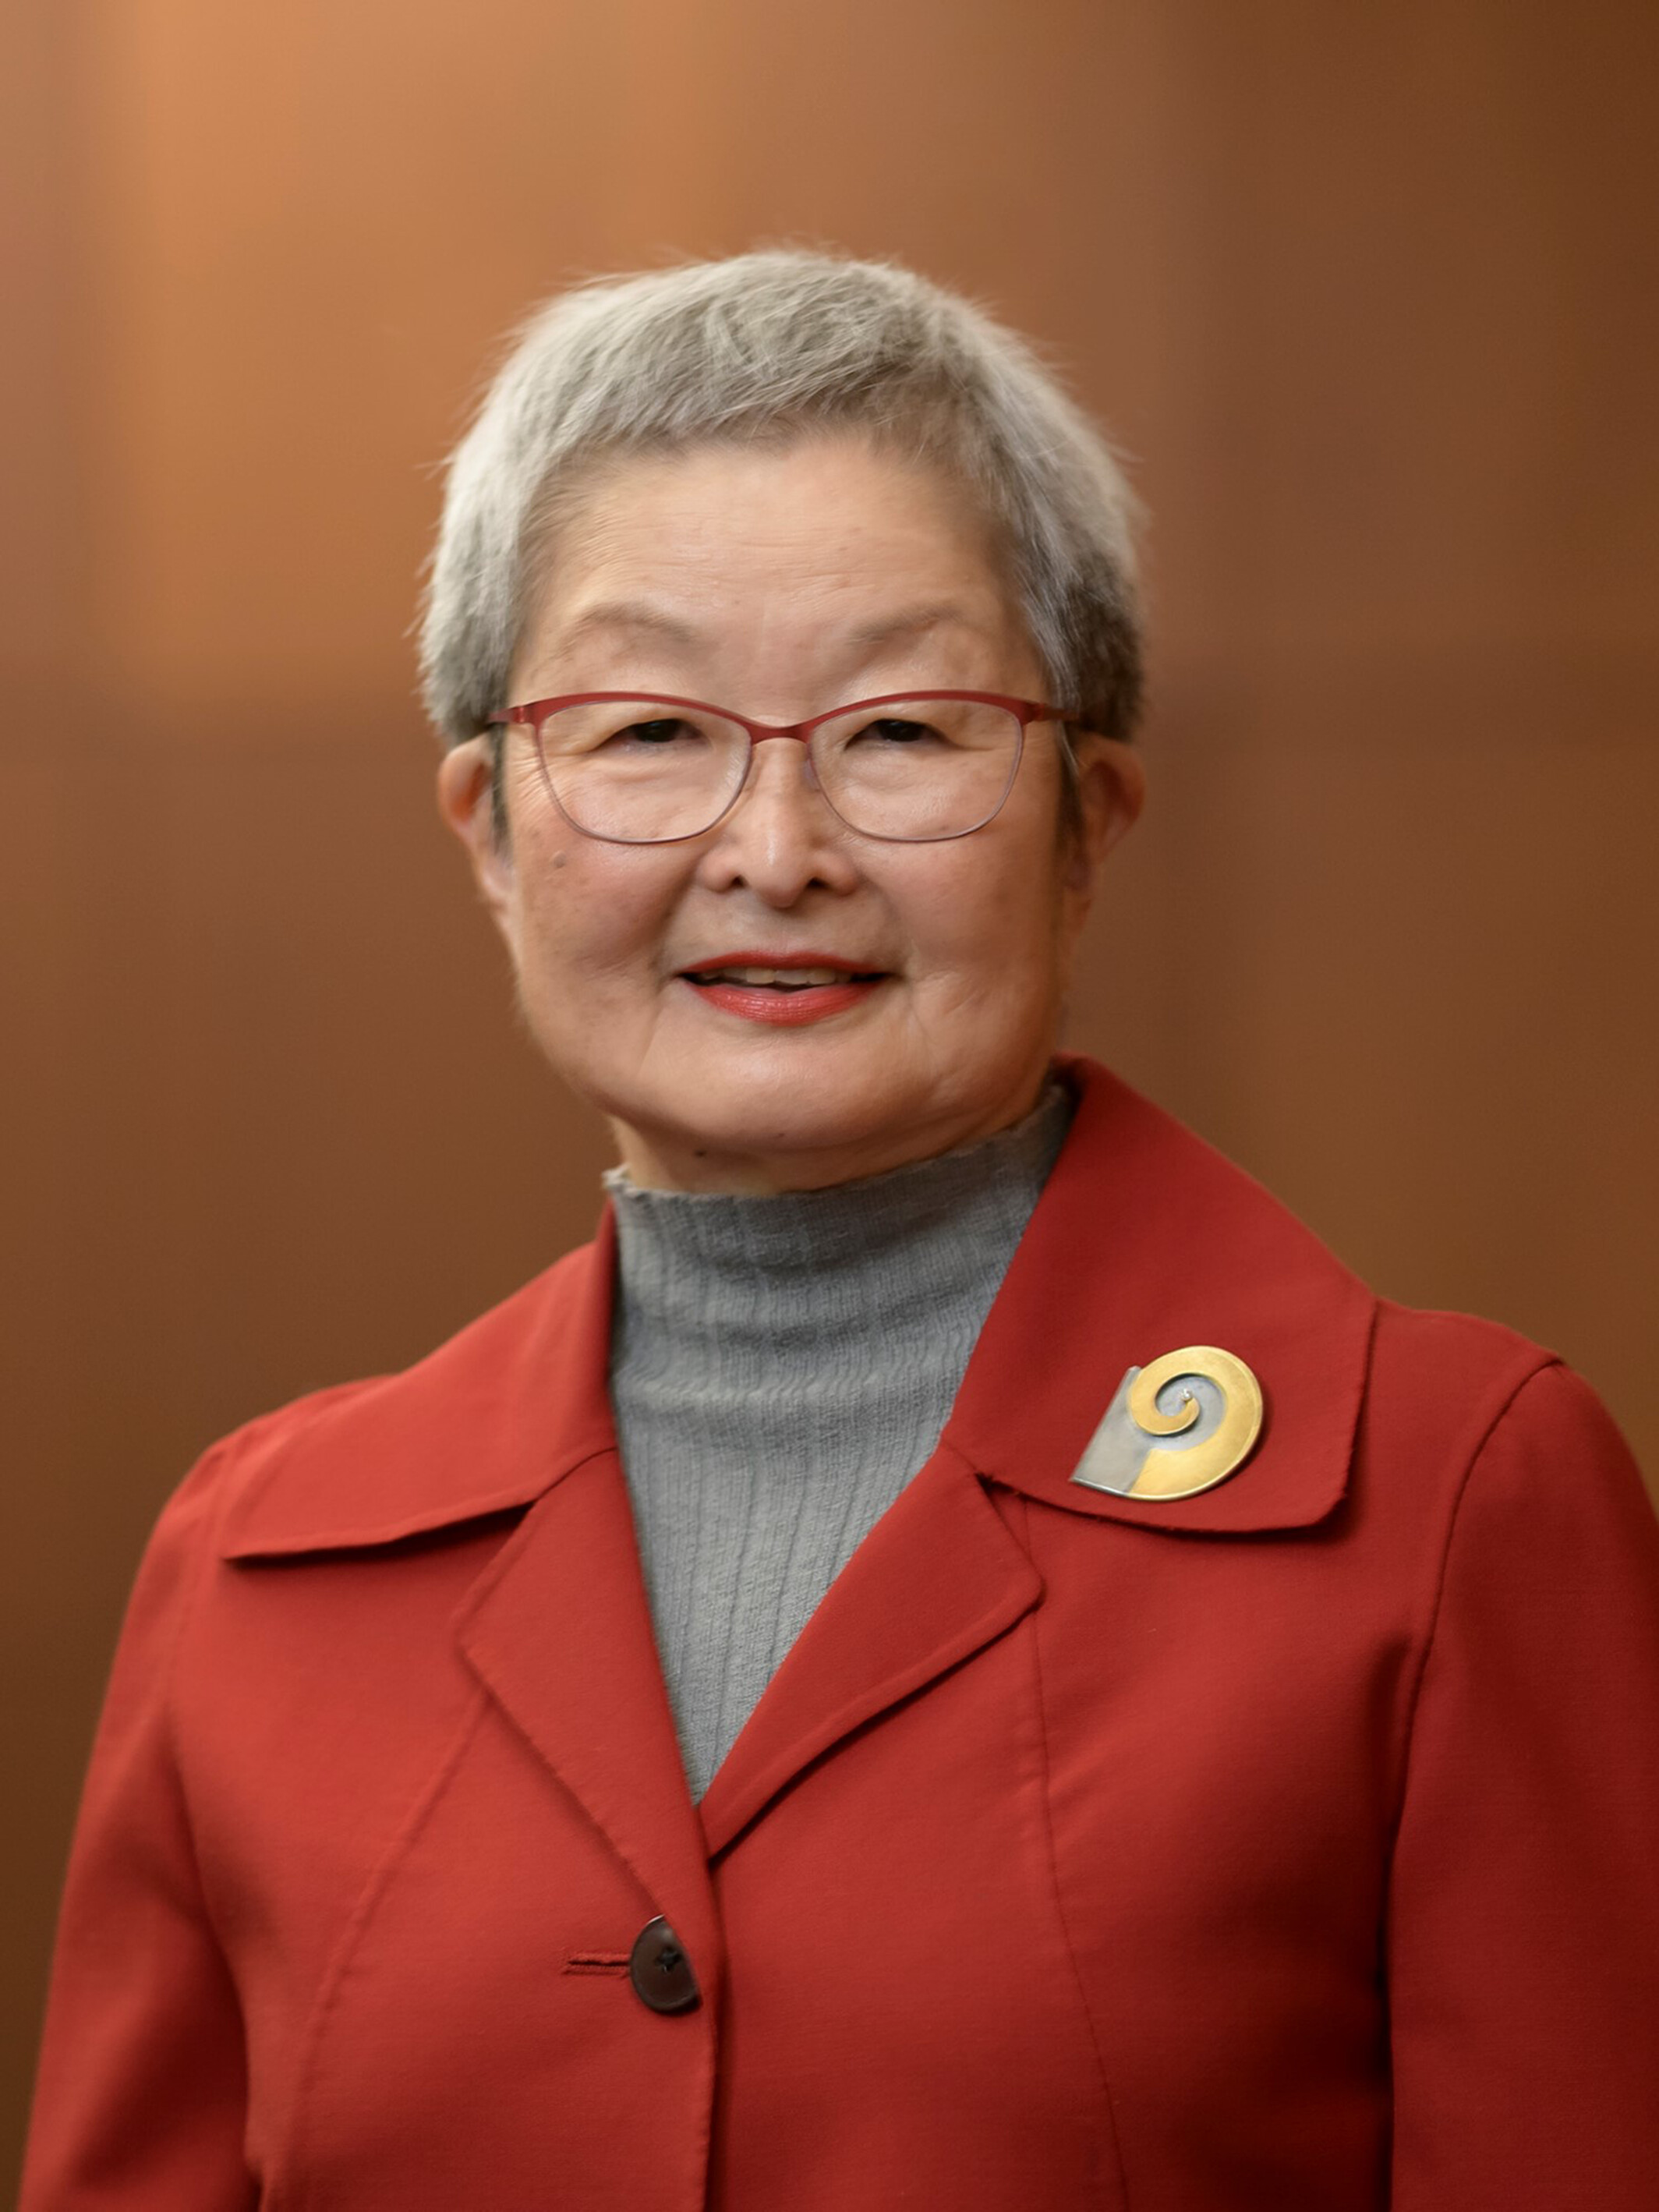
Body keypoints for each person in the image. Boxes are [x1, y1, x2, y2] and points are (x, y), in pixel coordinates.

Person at [21, 250, 1659, 2211]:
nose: (774, 852)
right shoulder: (257, 1563)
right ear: (485, 826)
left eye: (900, 731)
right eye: (643, 733)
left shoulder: (1450, 1502)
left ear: (1089, 816)